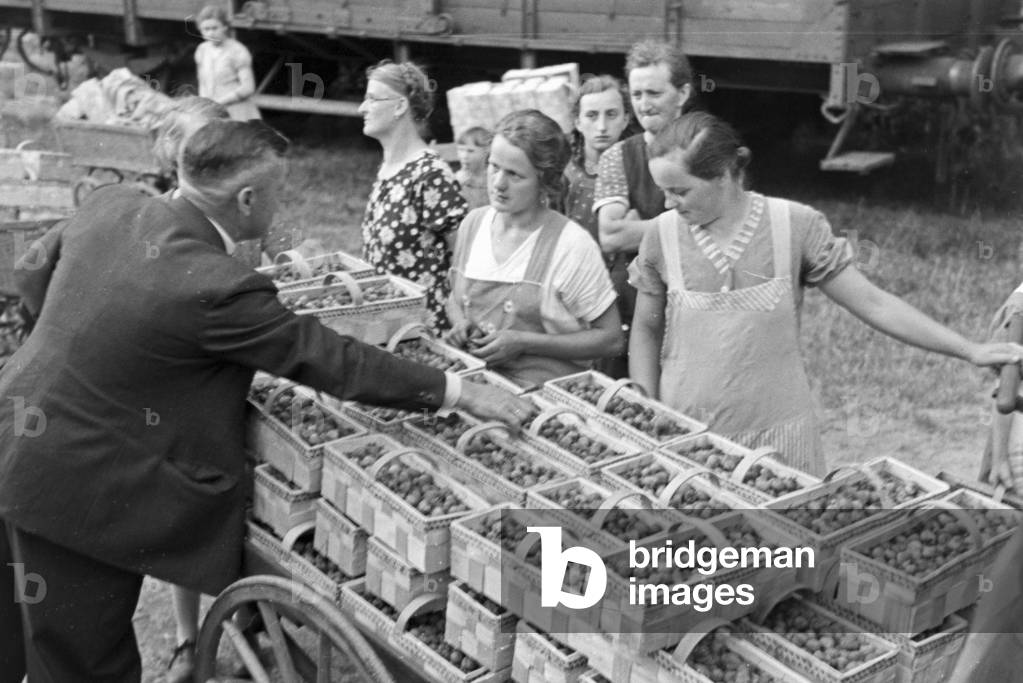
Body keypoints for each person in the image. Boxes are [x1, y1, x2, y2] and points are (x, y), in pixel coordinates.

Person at [0, 119, 531, 681]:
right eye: (278, 193)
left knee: (12, 636)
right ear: (247, 198)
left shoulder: (111, 203)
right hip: (72, 487)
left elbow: (32, 274)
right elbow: (332, 360)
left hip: (15, 431)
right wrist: (457, 390)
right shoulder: (217, 285)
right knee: (80, 661)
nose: (281, 206)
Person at [628, 112, 1023, 475]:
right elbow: (645, 330)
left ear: (724, 175)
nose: (668, 203)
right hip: (687, 438)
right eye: (664, 191)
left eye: (680, 191)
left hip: (779, 439)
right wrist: (647, 413)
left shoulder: (794, 226)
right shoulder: (662, 237)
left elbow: (875, 304)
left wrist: (969, 349)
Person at [445, 109, 624, 389]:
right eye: (494, 166)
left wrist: (524, 342)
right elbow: (455, 300)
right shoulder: (472, 224)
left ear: (545, 181)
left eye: (515, 175)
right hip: (477, 390)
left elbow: (610, 338)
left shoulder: (570, 245)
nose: (498, 183)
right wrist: (459, 324)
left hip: (548, 402)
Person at [593, 40, 696, 376]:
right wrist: (684, 224)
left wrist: (638, 228)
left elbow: (720, 225)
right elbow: (610, 235)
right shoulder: (617, 157)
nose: (643, 104)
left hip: (695, 298)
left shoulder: (706, 150)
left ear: (682, 94)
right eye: (636, 95)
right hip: (634, 305)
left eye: (653, 93)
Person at [360, 59, 467, 334]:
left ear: (399, 106)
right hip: (391, 327)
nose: (362, 108)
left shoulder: (430, 174)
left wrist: (461, 320)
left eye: (372, 99)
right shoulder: (389, 169)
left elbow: (464, 256)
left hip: (427, 330)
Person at [562, 74, 631, 377]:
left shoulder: (639, 166)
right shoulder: (566, 173)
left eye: (611, 115)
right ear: (577, 121)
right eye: (591, 116)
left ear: (626, 118)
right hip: (575, 288)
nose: (602, 127)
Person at [194, 4, 261, 121]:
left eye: (215, 28)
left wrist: (220, 103)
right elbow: (202, 83)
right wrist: (204, 105)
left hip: (237, 112)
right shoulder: (202, 50)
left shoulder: (237, 51)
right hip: (212, 113)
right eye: (206, 29)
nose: (210, 33)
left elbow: (248, 87)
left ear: (225, 27)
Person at [455, 126, 492, 210]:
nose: (464, 156)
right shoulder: (458, 180)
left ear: (486, 151)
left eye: (470, 151)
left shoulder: (492, 177)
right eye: (461, 150)